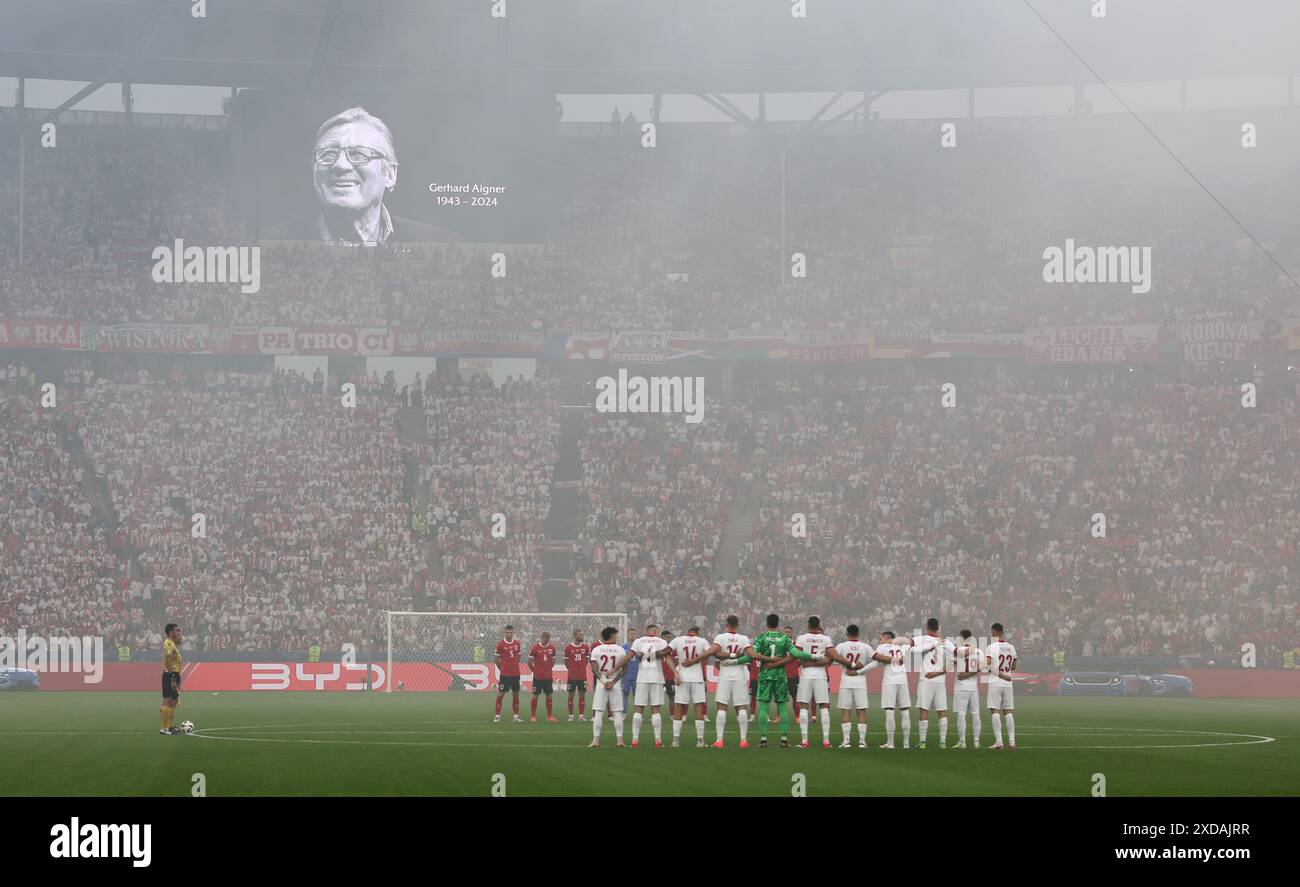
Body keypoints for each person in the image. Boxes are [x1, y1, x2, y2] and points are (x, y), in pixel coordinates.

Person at [263, 106, 455, 244]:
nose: (340, 165)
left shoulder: (442, 244)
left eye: (359, 154)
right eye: (327, 155)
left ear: (389, 174)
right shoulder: (265, 244)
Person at [913, 617, 955, 750]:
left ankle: (923, 742)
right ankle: (942, 742)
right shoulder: (946, 642)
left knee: (924, 709)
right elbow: (956, 659)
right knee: (942, 711)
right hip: (940, 680)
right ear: (938, 627)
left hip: (926, 679)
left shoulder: (921, 639)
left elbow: (909, 644)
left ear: (927, 627)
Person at [834, 624, 877, 749]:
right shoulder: (865, 647)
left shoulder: (841, 646)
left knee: (846, 710)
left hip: (846, 680)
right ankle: (862, 742)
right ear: (859, 634)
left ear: (847, 633)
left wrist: (849, 665)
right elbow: (875, 662)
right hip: (860, 681)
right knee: (861, 711)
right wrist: (861, 669)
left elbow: (834, 657)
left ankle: (846, 742)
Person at [588, 627, 628, 748]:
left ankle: (595, 740)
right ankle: (620, 740)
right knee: (617, 713)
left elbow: (594, 668)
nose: (617, 637)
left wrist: (604, 681)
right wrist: (614, 682)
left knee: (599, 712)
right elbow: (624, 669)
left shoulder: (596, 649)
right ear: (611, 636)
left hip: (601, 682)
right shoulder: (620, 649)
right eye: (615, 635)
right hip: (615, 683)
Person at [986, 622, 1018, 750]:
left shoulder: (991, 647)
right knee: (1008, 711)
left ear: (994, 632)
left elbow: (987, 664)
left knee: (994, 710)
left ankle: (999, 741)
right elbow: (1014, 666)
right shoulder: (1011, 647)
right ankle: (1012, 742)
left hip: (995, 682)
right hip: (1008, 683)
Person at [953, 629, 983, 749]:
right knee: (975, 713)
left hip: (961, 686)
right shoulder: (979, 651)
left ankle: (962, 742)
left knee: (961, 714)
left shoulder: (959, 651)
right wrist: (971, 674)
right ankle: (976, 742)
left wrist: (966, 674)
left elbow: (950, 664)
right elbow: (982, 667)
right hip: (973, 687)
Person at [493, 625, 522, 723]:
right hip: (505, 675)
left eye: (511, 632)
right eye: (507, 632)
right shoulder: (500, 644)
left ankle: (516, 716)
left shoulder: (517, 643)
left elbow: (519, 656)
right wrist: (503, 669)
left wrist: (514, 665)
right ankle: (497, 716)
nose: (509, 634)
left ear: (513, 633)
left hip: (515, 674)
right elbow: (496, 660)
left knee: (516, 695)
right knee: (500, 695)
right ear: (504, 633)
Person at [528, 631, 558, 722]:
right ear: (541, 638)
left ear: (549, 638)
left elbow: (553, 662)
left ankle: (550, 716)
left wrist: (548, 669)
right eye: (544, 638)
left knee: (549, 695)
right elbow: (530, 662)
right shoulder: (535, 648)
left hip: (548, 677)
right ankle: (533, 716)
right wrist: (536, 671)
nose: (545, 640)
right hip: (538, 677)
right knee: (535, 695)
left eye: (547, 638)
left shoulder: (552, 648)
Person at [159, 623, 183, 735]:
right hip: (170, 674)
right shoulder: (168, 643)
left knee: (174, 701)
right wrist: (172, 677)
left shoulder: (173, 644)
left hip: (175, 673)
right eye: (176, 630)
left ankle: (170, 726)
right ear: (170, 632)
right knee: (167, 700)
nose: (178, 632)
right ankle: (164, 728)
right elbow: (168, 660)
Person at [564, 629, 591, 722]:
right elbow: (566, 662)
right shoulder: (568, 647)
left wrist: (581, 669)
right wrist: (572, 669)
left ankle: (581, 716)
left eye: (582, 634)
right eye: (580, 634)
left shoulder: (586, 647)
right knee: (570, 695)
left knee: (582, 695)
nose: (582, 636)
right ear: (575, 635)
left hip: (582, 676)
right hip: (572, 676)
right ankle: (571, 716)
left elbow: (586, 661)